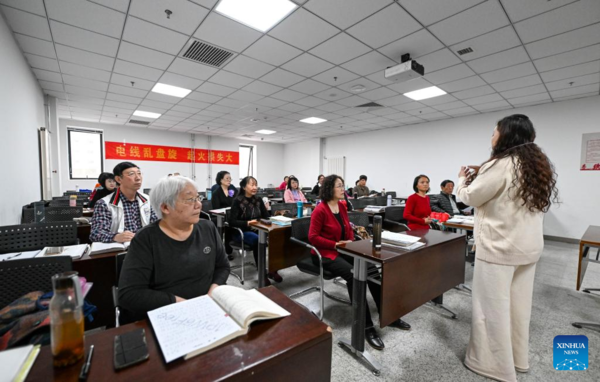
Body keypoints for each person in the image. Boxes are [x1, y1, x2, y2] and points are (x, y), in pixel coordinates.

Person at [457, 114, 558, 382]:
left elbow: (470, 196)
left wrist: (461, 180)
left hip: (499, 248)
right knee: (518, 306)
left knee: (491, 308)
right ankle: (517, 359)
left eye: (494, 132)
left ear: (506, 135)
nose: (491, 137)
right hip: (527, 248)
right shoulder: (535, 165)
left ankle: (493, 366)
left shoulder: (501, 164)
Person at [309, 175, 410, 351]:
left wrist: (351, 243)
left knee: (371, 270)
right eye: (339, 186)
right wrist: (335, 244)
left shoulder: (341, 206)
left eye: (342, 186)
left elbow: (347, 228)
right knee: (354, 275)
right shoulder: (320, 210)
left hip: (343, 249)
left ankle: (388, 316)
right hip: (326, 253)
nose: (343, 189)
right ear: (329, 189)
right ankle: (366, 327)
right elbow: (313, 237)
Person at [118, 176, 230, 324]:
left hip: (207, 309)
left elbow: (222, 266)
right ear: (165, 207)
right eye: (190, 200)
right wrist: (181, 303)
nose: (199, 205)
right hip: (167, 316)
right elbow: (129, 294)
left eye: (198, 198)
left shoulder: (207, 227)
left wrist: (212, 293)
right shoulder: (146, 239)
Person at [230, 176, 283, 284]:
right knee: (258, 240)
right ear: (244, 187)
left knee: (277, 237)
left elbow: (266, 216)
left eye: (255, 184)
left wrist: (275, 214)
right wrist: (247, 223)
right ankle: (262, 273)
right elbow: (231, 222)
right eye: (251, 184)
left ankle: (273, 270)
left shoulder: (258, 200)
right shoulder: (237, 201)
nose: (255, 187)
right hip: (242, 232)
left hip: (258, 229)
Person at [90, 162, 158, 243]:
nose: (138, 178)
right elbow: (96, 234)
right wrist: (116, 236)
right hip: (120, 250)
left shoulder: (147, 199)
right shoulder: (103, 203)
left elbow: (156, 225)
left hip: (145, 246)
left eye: (139, 173)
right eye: (131, 174)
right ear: (119, 179)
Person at [211, 171, 238, 257]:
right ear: (221, 180)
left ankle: (228, 250)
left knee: (232, 224)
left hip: (231, 215)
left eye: (230, 178)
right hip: (220, 216)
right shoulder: (216, 193)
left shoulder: (232, 189)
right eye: (227, 178)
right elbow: (216, 208)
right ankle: (222, 251)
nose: (229, 180)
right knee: (229, 225)